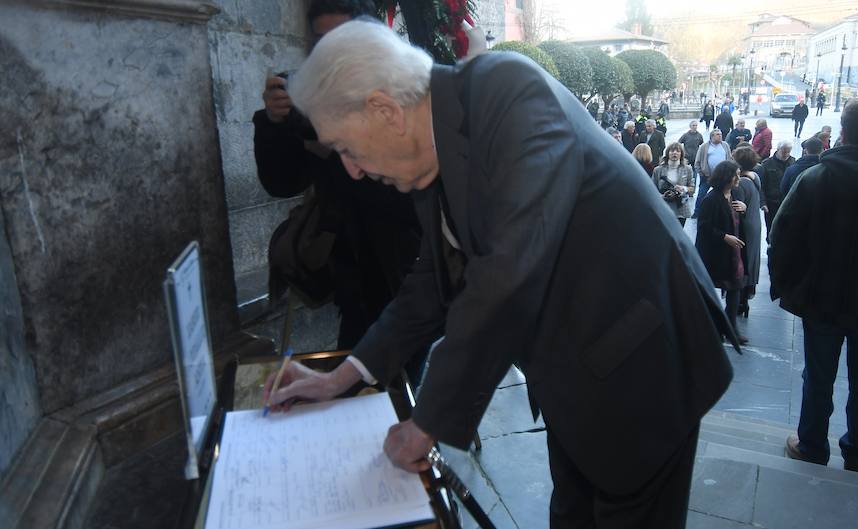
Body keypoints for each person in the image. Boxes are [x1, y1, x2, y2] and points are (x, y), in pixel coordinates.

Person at [267, 20, 736, 528]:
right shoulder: (435, 154)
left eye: (344, 148)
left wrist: (426, 422)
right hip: (574, 373)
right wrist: (343, 375)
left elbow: (508, 268)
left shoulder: (507, 89)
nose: (351, 170)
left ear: (384, 109)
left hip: (643, 363)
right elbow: (431, 284)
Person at [252, 0, 421, 351]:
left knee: (396, 374)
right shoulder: (311, 102)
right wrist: (277, 124)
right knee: (362, 373)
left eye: (342, 39)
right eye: (321, 42)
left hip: (410, 270)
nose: (332, 52)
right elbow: (282, 182)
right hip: (353, 274)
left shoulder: (404, 94)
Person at [769, 97, 858, 474]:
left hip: (822, 298)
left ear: (843, 131)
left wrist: (787, 285)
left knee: (819, 375)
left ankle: (811, 444)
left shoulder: (816, 179)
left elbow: (782, 235)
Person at [695, 161, 748, 344]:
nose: (739, 178)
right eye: (736, 175)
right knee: (713, 291)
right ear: (727, 177)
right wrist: (724, 236)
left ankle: (730, 327)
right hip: (716, 254)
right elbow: (704, 227)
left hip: (734, 253)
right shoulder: (712, 199)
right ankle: (714, 327)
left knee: (736, 288)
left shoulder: (734, 195)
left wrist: (744, 209)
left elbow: (738, 220)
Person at [731, 147, 764, 318]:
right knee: (750, 261)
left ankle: (740, 302)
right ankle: (745, 301)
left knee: (741, 262)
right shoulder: (754, 177)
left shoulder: (740, 182)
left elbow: (736, 208)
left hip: (744, 227)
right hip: (754, 225)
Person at [652, 142, 695, 226]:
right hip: (664, 209)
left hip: (681, 210)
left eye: (677, 151)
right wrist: (662, 196)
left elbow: (692, 189)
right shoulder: (658, 170)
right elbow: (651, 189)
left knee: (677, 237)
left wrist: (684, 189)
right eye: (672, 151)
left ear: (681, 154)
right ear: (667, 153)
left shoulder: (688, 169)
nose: (674, 153)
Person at [759, 140, 794, 240]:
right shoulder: (766, 164)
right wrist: (763, 203)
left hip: (787, 203)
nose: (786, 154)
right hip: (771, 204)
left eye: (788, 151)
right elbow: (761, 185)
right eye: (784, 151)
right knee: (771, 230)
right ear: (778, 150)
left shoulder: (793, 162)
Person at [693, 128, 733, 215]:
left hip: (722, 176)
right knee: (701, 194)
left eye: (721, 134)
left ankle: (723, 212)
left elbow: (730, 158)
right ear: (712, 136)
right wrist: (701, 173)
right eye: (718, 134)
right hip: (707, 176)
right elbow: (698, 162)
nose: (720, 136)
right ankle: (697, 212)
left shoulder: (725, 145)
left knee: (723, 194)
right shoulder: (704, 147)